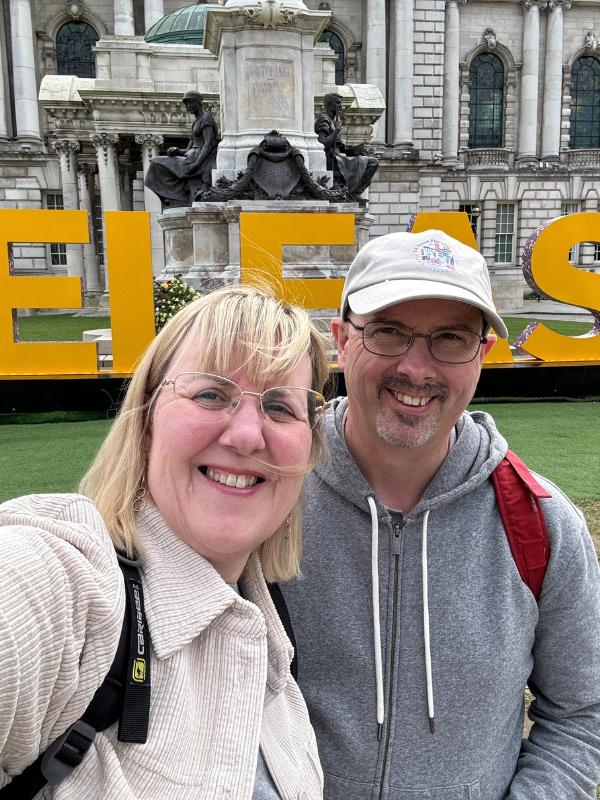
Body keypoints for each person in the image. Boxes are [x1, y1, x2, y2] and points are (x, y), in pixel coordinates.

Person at [281, 229, 600, 800]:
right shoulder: (269, 496)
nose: (417, 368)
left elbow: (582, 715)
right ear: (342, 340)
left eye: (450, 338)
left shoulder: (541, 525)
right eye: (388, 332)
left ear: (483, 355)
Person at [0, 285, 329, 799]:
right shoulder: (69, 583)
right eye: (210, 395)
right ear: (148, 420)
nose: (247, 434)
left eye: (280, 407)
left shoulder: (272, 636)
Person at [145, 90, 218, 208]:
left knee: (156, 163)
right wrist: (178, 151)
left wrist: (197, 164)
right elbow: (188, 149)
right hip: (191, 156)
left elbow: (208, 144)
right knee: (156, 163)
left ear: (198, 102)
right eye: (186, 104)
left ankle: (177, 196)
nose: (188, 106)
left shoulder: (206, 119)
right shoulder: (196, 122)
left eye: (190, 102)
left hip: (198, 160)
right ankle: (176, 197)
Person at [315, 93, 378, 199]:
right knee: (372, 163)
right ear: (328, 103)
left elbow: (338, 143)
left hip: (339, 155)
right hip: (332, 158)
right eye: (337, 103)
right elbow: (322, 143)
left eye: (341, 103)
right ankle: (355, 192)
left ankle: (355, 192)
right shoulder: (323, 119)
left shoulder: (334, 120)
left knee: (372, 162)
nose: (340, 106)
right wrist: (336, 131)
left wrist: (352, 149)